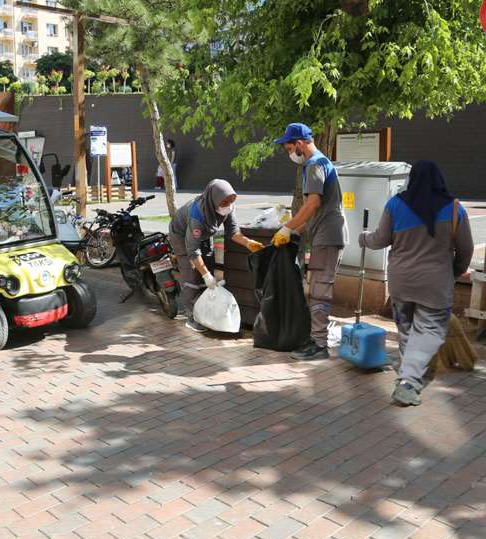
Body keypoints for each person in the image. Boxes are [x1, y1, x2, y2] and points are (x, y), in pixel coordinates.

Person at [360, 161, 473, 406]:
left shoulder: (396, 204)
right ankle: (409, 382)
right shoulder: (455, 209)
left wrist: (364, 239)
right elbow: (466, 249)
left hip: (401, 281)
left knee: (406, 326)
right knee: (430, 330)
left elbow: (380, 239)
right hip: (435, 283)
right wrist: (454, 273)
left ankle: (406, 373)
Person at [272, 123, 348, 360]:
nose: (289, 153)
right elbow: (316, 211)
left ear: (300, 143)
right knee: (317, 288)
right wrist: (295, 231)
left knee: (319, 291)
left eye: (289, 147)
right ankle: (316, 339)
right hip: (325, 233)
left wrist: (288, 227)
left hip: (328, 236)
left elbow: (312, 204)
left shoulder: (315, 164)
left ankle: (320, 346)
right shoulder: (320, 162)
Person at [170, 179, 264, 332]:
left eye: (232, 200)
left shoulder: (228, 207)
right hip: (181, 236)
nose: (228, 205)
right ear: (213, 200)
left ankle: (205, 308)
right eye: (225, 202)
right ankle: (192, 316)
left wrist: (248, 243)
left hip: (205, 234)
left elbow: (233, 232)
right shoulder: (197, 215)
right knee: (192, 274)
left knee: (209, 265)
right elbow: (193, 251)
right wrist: (206, 276)